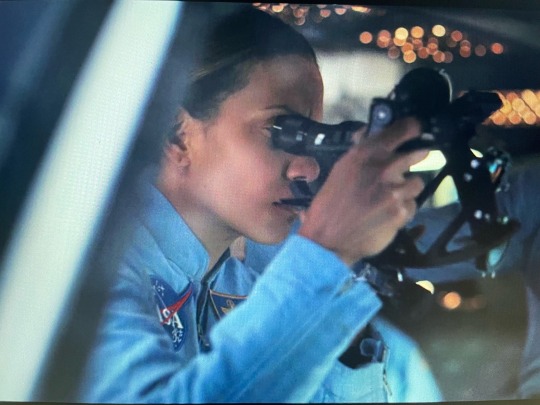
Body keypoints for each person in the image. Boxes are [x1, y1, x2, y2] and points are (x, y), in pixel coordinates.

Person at [77, 6, 435, 403]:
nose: (306, 168)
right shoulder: (90, 282)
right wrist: (327, 251)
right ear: (178, 135)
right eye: (280, 130)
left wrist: (344, 326)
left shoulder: (240, 285)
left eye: (310, 135)